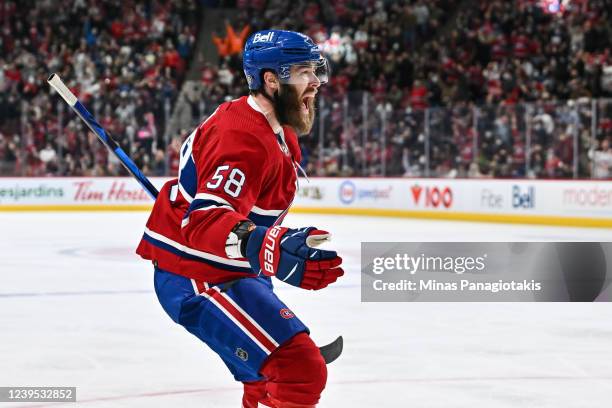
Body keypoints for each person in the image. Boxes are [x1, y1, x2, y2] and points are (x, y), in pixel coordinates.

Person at [136, 30, 344, 408]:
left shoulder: (277, 130)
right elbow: (205, 221)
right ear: (270, 80)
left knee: (266, 374)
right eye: (303, 72)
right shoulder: (241, 137)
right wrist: (269, 248)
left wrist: (268, 255)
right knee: (300, 370)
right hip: (196, 275)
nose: (316, 81)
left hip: (228, 267)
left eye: (316, 70)